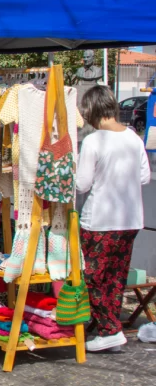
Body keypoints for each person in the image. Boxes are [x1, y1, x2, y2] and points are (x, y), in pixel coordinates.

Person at [76, 85, 151, 352]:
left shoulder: (94, 141)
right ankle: (110, 328)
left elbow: (82, 184)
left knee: (95, 276)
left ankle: (109, 330)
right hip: (130, 219)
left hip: (101, 219)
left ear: (91, 110)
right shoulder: (132, 137)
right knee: (116, 276)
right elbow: (144, 177)